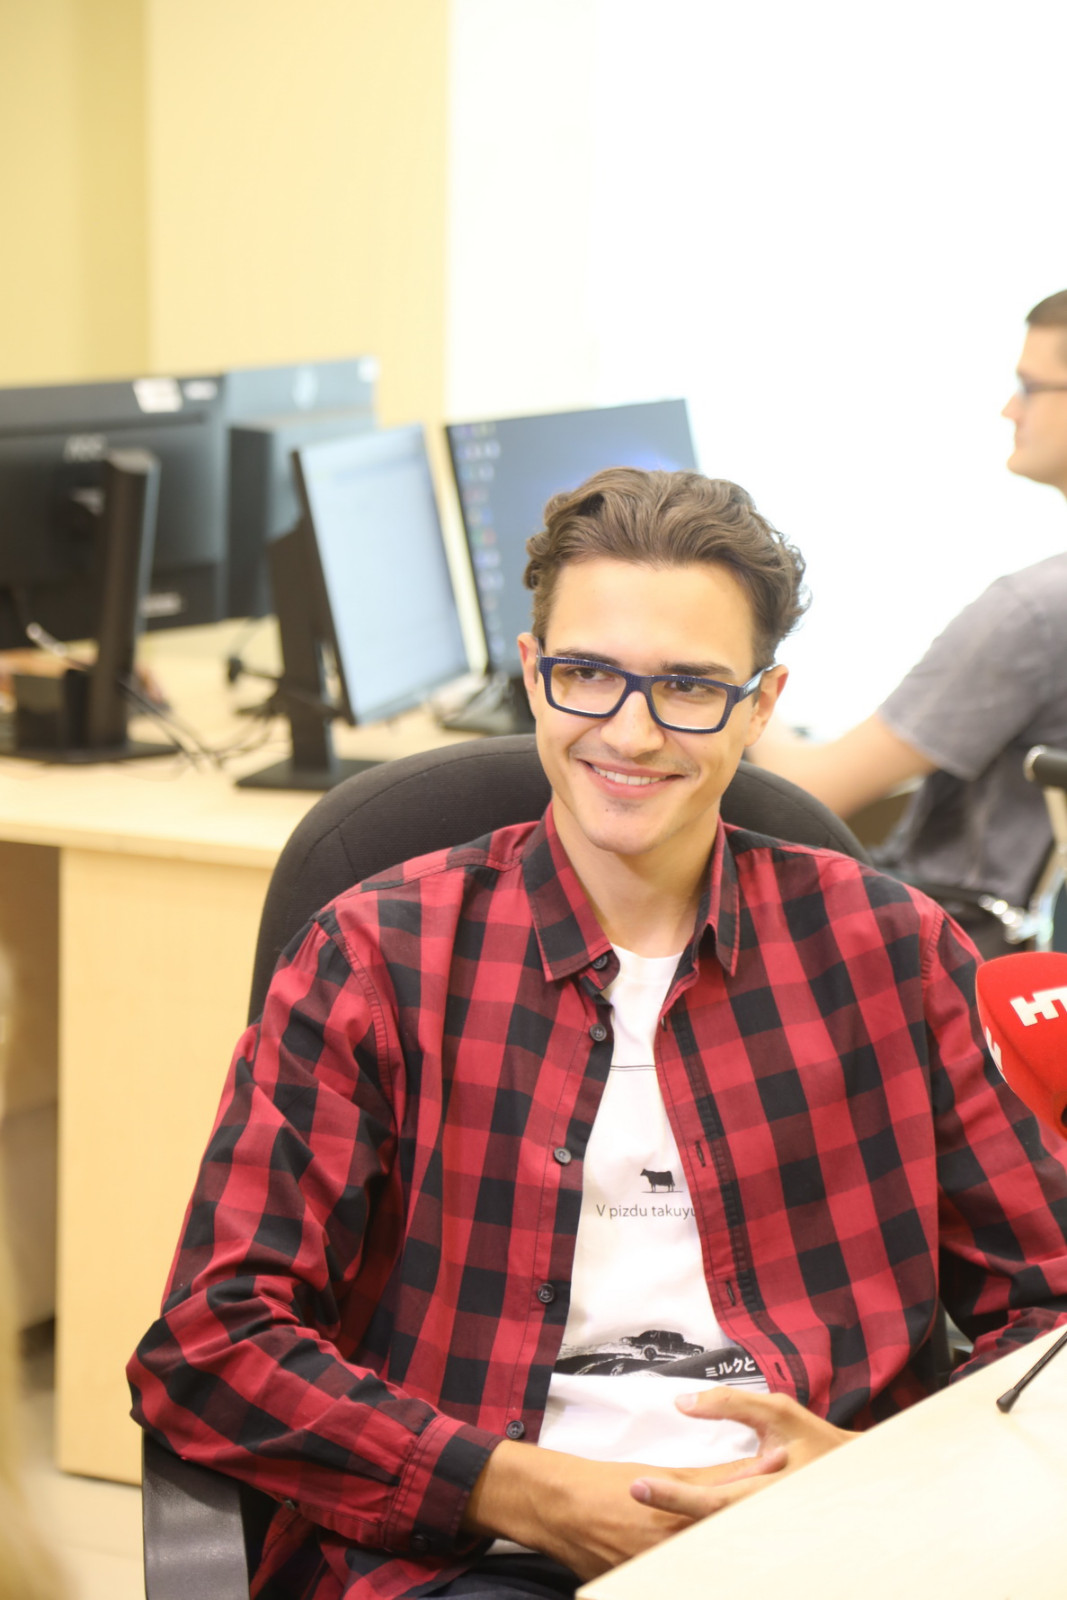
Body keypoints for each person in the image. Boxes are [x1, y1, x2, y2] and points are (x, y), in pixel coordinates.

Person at [128, 468, 1067, 1600]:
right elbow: (211, 1341)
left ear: (760, 705)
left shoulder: (892, 953)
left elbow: (1050, 1303)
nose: (629, 730)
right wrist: (518, 1490)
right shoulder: (376, 958)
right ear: (533, 675)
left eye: (689, 687)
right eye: (586, 674)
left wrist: (882, 1477)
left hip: (832, 1542)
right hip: (468, 1553)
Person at [751, 289, 1067, 955]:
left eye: (1029, 387)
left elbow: (805, 791)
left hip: (946, 948)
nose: (1008, 409)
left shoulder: (1036, 612)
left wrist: (742, 674)